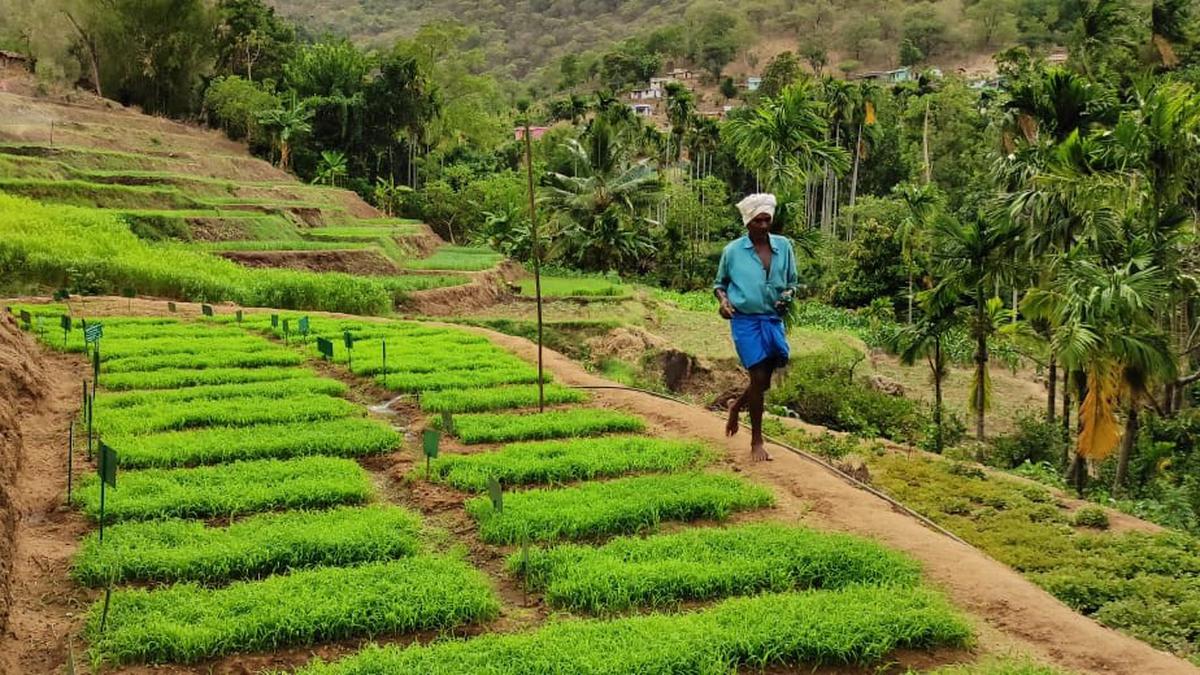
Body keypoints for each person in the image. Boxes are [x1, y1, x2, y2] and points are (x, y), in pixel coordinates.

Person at [713, 193, 798, 461]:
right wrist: (723, 302)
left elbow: (792, 282)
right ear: (748, 222)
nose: (763, 226)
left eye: (767, 220)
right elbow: (720, 284)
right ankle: (756, 441)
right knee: (758, 377)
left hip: (772, 318)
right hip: (745, 320)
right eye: (758, 221)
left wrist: (788, 295)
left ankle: (737, 406)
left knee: (765, 381)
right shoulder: (733, 252)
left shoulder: (783, 247)